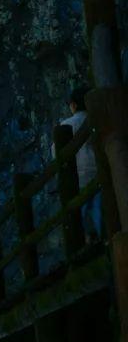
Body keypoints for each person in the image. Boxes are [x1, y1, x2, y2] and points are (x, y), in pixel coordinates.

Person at [55, 85, 101, 242]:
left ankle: (83, 244)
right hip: (99, 172)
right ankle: (107, 239)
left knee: (78, 215)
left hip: (76, 180)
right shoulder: (96, 118)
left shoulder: (66, 125)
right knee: (100, 211)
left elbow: (55, 153)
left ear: (73, 105)